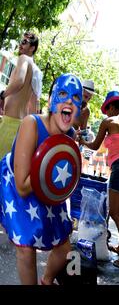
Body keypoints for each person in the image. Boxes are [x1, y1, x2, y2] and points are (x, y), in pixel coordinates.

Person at [0, 73, 81, 285]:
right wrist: (49, 170)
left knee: (64, 248)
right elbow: (22, 187)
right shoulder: (31, 124)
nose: (69, 101)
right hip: (18, 184)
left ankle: (46, 281)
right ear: (50, 101)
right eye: (62, 94)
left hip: (46, 189)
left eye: (76, 97)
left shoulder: (69, 135)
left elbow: (65, 179)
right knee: (26, 247)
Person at [80, 91, 119, 269]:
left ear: (112, 107)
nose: (106, 113)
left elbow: (95, 145)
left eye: (107, 109)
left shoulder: (108, 122)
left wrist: (81, 140)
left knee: (115, 213)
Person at [0, 31, 42, 159]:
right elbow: (33, 106)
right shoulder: (36, 71)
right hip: (18, 126)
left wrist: (2, 95)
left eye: (24, 42)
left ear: (32, 48)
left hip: (9, 124)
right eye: (21, 41)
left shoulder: (24, 59)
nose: (20, 45)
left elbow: (19, 81)